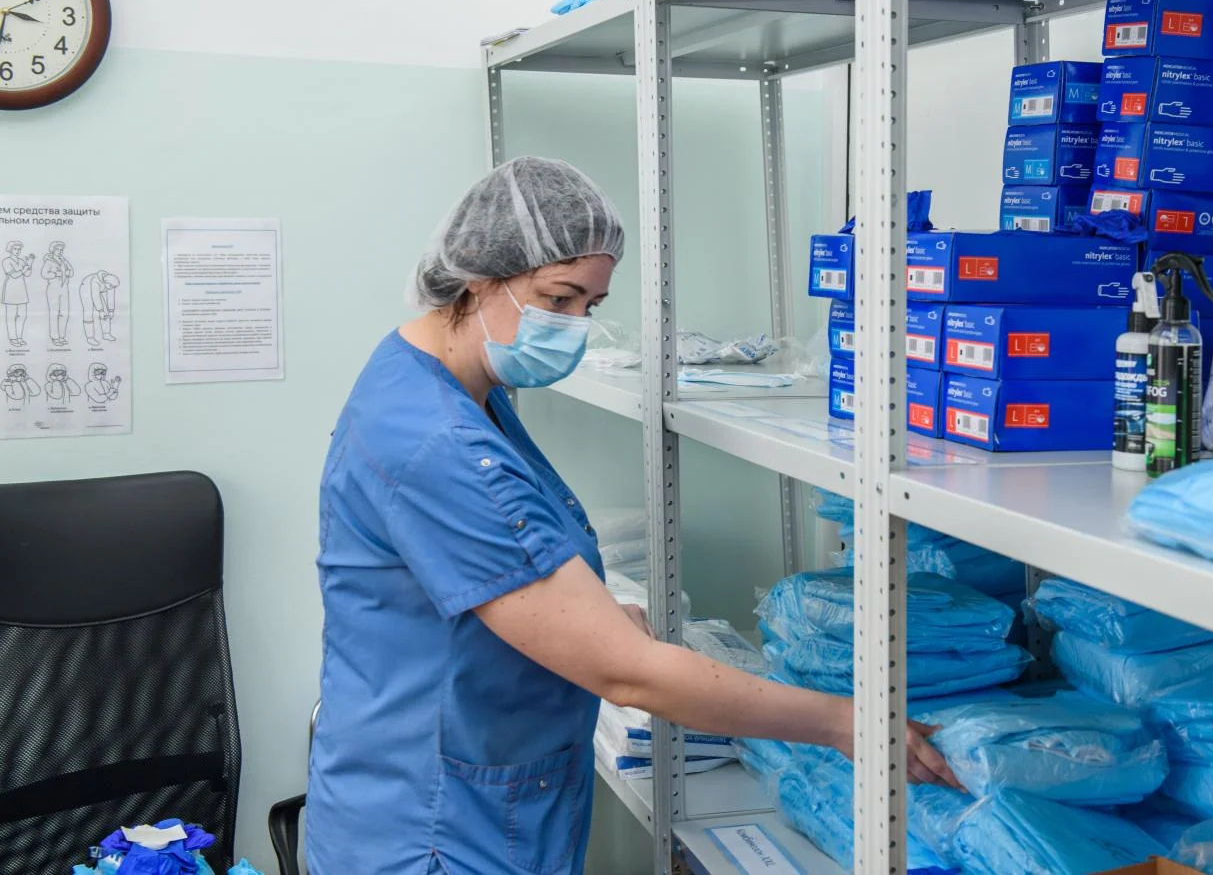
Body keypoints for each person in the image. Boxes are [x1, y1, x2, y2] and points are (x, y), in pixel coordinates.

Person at [305, 157, 958, 874]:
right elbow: (630, 676)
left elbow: (468, 572)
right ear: (477, 274)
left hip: (454, 792)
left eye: (589, 305)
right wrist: (843, 722)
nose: (574, 326)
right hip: (434, 830)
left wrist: (580, 611)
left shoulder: (441, 383)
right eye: (558, 298)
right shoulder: (439, 442)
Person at [41, 241, 74, 347]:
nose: (60, 251)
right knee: (54, 313)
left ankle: (62, 336)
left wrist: (65, 273)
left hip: (64, 288)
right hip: (53, 288)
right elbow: (44, 274)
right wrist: (57, 274)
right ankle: (55, 337)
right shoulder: (49, 261)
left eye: (61, 250)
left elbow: (72, 272)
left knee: (65, 313)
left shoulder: (64, 260)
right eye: (57, 249)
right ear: (53, 250)